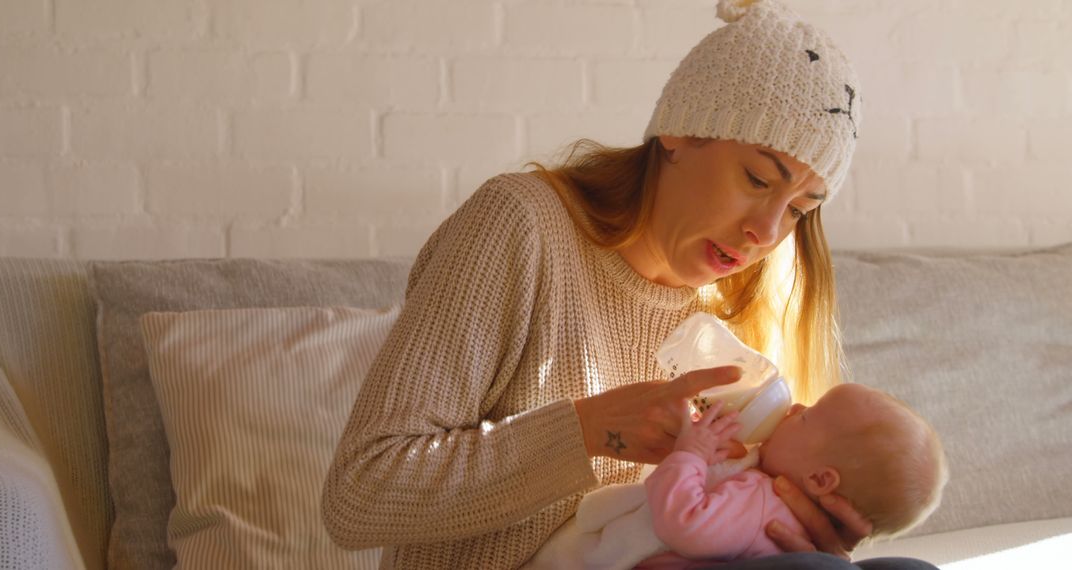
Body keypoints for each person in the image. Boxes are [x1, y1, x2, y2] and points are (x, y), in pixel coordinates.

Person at [322, 0, 939, 568]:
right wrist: (587, 429)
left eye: (801, 209)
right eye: (756, 179)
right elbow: (360, 497)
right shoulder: (520, 228)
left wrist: (806, 530)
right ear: (679, 131)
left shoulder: (746, 297)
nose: (766, 232)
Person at [526, 383, 948, 569]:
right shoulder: (766, 496)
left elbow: (684, 523)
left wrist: (690, 455)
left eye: (808, 417)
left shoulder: (761, 502)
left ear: (821, 481)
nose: (796, 408)